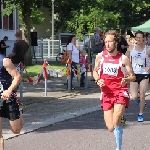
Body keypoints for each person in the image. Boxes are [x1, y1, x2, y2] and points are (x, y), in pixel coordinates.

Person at [93, 30, 136, 150]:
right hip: (106, 93)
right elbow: (95, 71)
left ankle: (119, 147)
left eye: (110, 42)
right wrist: (97, 80)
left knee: (116, 119)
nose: (107, 44)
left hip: (120, 92)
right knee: (111, 127)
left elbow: (133, 76)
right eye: (105, 41)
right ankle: (120, 121)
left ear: (116, 42)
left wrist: (126, 80)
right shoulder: (100, 56)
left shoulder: (123, 59)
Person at [0, 55, 24, 150]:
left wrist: (9, 90)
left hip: (7, 97)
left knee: (16, 130)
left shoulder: (4, 61)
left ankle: (20, 113)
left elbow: (18, 77)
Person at [125, 30, 150, 122]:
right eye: (137, 37)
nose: (139, 39)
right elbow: (124, 58)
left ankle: (140, 114)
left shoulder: (147, 49)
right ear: (135, 38)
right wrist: (126, 69)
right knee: (134, 96)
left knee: (143, 94)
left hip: (144, 74)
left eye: (140, 37)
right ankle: (138, 98)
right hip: (134, 74)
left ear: (143, 38)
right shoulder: (131, 48)